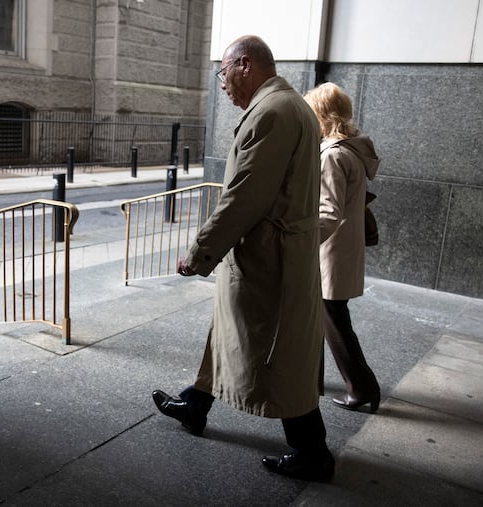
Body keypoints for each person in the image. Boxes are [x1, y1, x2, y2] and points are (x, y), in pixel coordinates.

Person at [151, 35, 334, 482]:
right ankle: (195, 406)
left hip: (270, 262)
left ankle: (313, 452)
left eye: (223, 73)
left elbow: (243, 198)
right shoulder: (290, 106)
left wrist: (201, 251)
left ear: (244, 65)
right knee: (230, 336)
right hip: (271, 256)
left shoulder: (273, 112)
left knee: (279, 356)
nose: (223, 84)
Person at [303, 82, 381, 413]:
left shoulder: (332, 155)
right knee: (328, 317)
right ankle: (320, 379)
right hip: (341, 248)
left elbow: (328, 212)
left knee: (333, 318)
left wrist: (302, 244)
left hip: (329, 251)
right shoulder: (350, 150)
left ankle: (361, 386)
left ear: (320, 115)